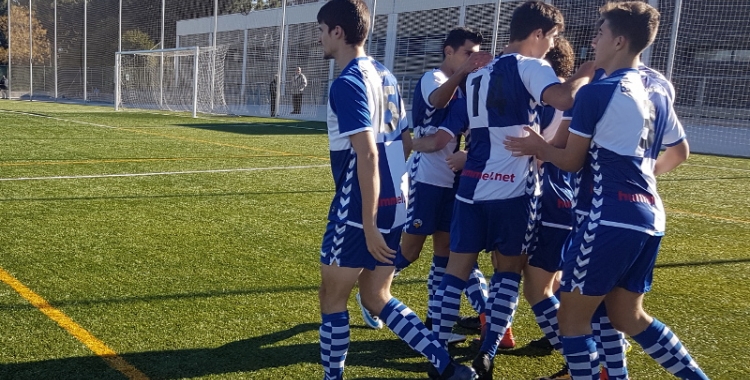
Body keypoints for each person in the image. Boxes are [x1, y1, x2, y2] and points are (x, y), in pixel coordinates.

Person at [504, 2, 709, 379]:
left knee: (572, 317)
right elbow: (679, 152)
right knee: (623, 314)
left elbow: (570, 161)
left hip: (606, 217)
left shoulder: (598, 93)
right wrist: (639, 180)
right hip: (648, 214)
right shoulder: (658, 89)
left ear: (618, 40)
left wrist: (539, 148)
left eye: (599, 32)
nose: (593, 40)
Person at [428, 2, 595, 379]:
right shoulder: (532, 66)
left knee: (455, 271)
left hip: (471, 187)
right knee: (508, 272)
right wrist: (585, 73)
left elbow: (456, 118)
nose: (551, 46)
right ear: (538, 33)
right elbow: (563, 99)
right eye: (551, 37)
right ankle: (486, 353)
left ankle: (439, 356)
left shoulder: (478, 70)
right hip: (515, 189)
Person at [316, 1, 476, 380]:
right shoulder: (385, 75)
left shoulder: (348, 81)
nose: (318, 37)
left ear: (338, 32)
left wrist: (369, 221)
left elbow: (368, 155)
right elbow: (404, 141)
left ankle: (332, 377)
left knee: (332, 297)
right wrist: (391, 199)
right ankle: (445, 365)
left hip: (359, 206)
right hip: (396, 201)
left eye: (321, 29)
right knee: (376, 296)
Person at [355, 27, 493, 342]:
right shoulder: (435, 78)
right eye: (466, 52)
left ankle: (437, 321)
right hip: (425, 177)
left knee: (445, 249)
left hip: (450, 179)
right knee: (411, 248)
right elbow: (437, 99)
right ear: (449, 51)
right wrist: (464, 72)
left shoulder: (464, 87)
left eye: (475, 54)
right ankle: (371, 295)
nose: (472, 59)